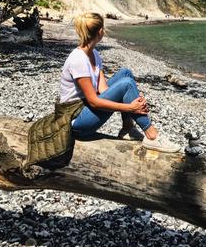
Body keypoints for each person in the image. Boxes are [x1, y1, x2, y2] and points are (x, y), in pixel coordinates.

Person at [60, 12, 181, 152]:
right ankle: (152, 136)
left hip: (86, 109)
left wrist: (133, 98)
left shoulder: (94, 54)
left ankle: (128, 127)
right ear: (100, 32)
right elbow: (94, 101)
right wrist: (130, 107)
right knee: (127, 84)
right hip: (75, 122)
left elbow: (104, 90)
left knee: (125, 73)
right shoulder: (78, 60)